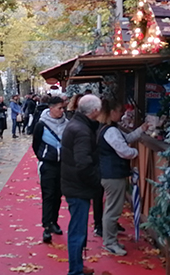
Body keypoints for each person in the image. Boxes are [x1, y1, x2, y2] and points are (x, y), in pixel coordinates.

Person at [97, 98, 149, 256]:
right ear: (112, 112)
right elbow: (124, 150)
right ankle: (110, 242)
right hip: (112, 174)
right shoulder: (111, 130)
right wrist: (136, 153)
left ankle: (110, 240)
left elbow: (124, 140)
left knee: (111, 208)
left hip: (109, 173)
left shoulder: (106, 128)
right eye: (120, 111)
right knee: (113, 210)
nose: (122, 114)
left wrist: (140, 130)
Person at [61, 94, 103, 275]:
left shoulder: (77, 125)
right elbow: (83, 163)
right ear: (94, 111)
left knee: (79, 229)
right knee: (77, 230)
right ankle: (75, 270)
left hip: (74, 184)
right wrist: (95, 182)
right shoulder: (81, 130)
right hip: (78, 187)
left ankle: (77, 266)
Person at [32, 95, 68, 243]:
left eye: (63, 108)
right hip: (48, 164)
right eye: (59, 108)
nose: (62, 110)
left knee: (58, 195)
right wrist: (43, 157)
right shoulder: (41, 124)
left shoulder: (67, 123)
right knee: (48, 195)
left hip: (63, 164)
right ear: (51, 108)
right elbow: (36, 143)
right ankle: (46, 226)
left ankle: (54, 222)